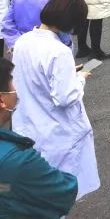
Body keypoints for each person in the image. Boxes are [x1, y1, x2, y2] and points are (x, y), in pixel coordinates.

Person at [11, 0, 99, 201]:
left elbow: (29, 76)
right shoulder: (59, 51)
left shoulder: (23, 41)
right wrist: (79, 79)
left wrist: (68, 73)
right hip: (56, 134)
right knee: (59, 195)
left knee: (36, 195)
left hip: (27, 127)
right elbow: (65, 97)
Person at [0, 56, 79, 217]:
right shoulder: (16, 160)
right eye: (11, 83)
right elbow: (64, 190)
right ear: (2, 100)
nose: (15, 89)